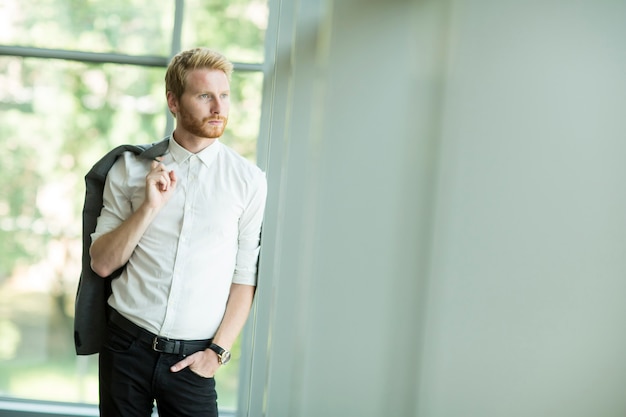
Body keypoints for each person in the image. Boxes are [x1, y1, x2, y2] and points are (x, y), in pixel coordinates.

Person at [90, 47, 267, 417]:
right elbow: (102, 264)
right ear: (173, 101)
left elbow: (245, 277)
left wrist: (217, 353)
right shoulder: (130, 169)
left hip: (195, 361)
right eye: (205, 96)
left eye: (224, 95)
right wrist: (149, 208)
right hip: (126, 347)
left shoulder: (248, 181)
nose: (218, 107)